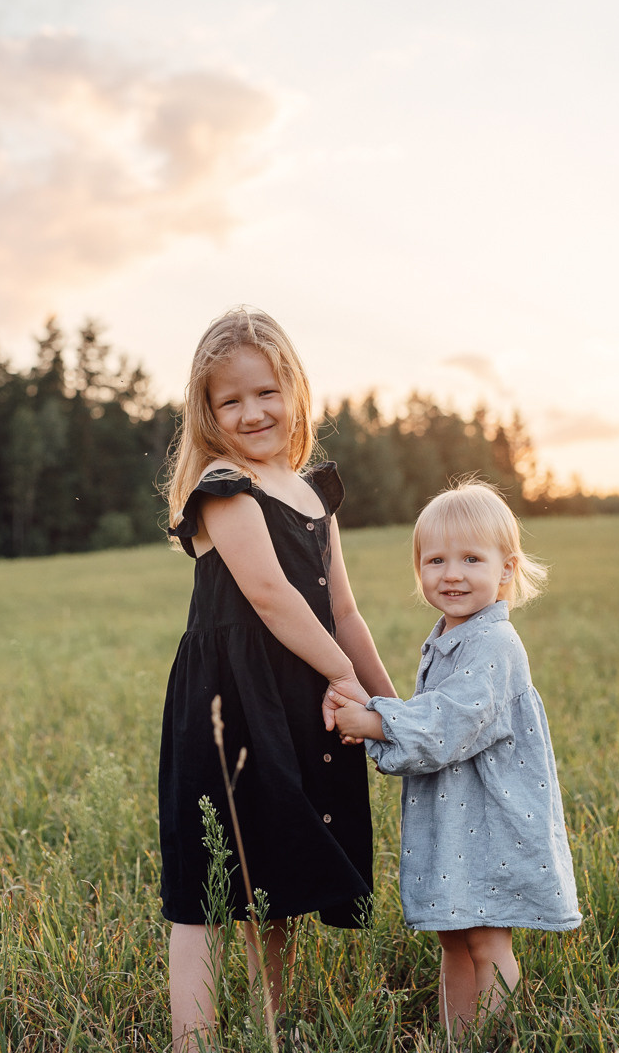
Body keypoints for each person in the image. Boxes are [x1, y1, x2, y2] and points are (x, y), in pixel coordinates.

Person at [158, 306, 397, 1052]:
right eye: (230, 400)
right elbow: (270, 597)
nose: (252, 412)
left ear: (294, 390)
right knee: (205, 885)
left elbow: (342, 611)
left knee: (278, 870)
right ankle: (192, 1040)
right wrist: (341, 675)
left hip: (295, 698)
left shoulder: (312, 492)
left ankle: (274, 1023)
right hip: (229, 700)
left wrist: (391, 707)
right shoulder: (222, 487)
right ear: (207, 413)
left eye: (266, 392)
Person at [326, 479, 581, 1039]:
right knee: (453, 936)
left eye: (471, 559)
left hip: (490, 823)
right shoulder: (450, 635)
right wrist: (382, 721)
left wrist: (376, 721)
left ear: (507, 569)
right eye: (435, 560)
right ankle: (456, 1039)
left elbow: (451, 720)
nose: (452, 574)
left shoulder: (495, 643)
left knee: (486, 941)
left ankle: (491, 1039)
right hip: (456, 820)